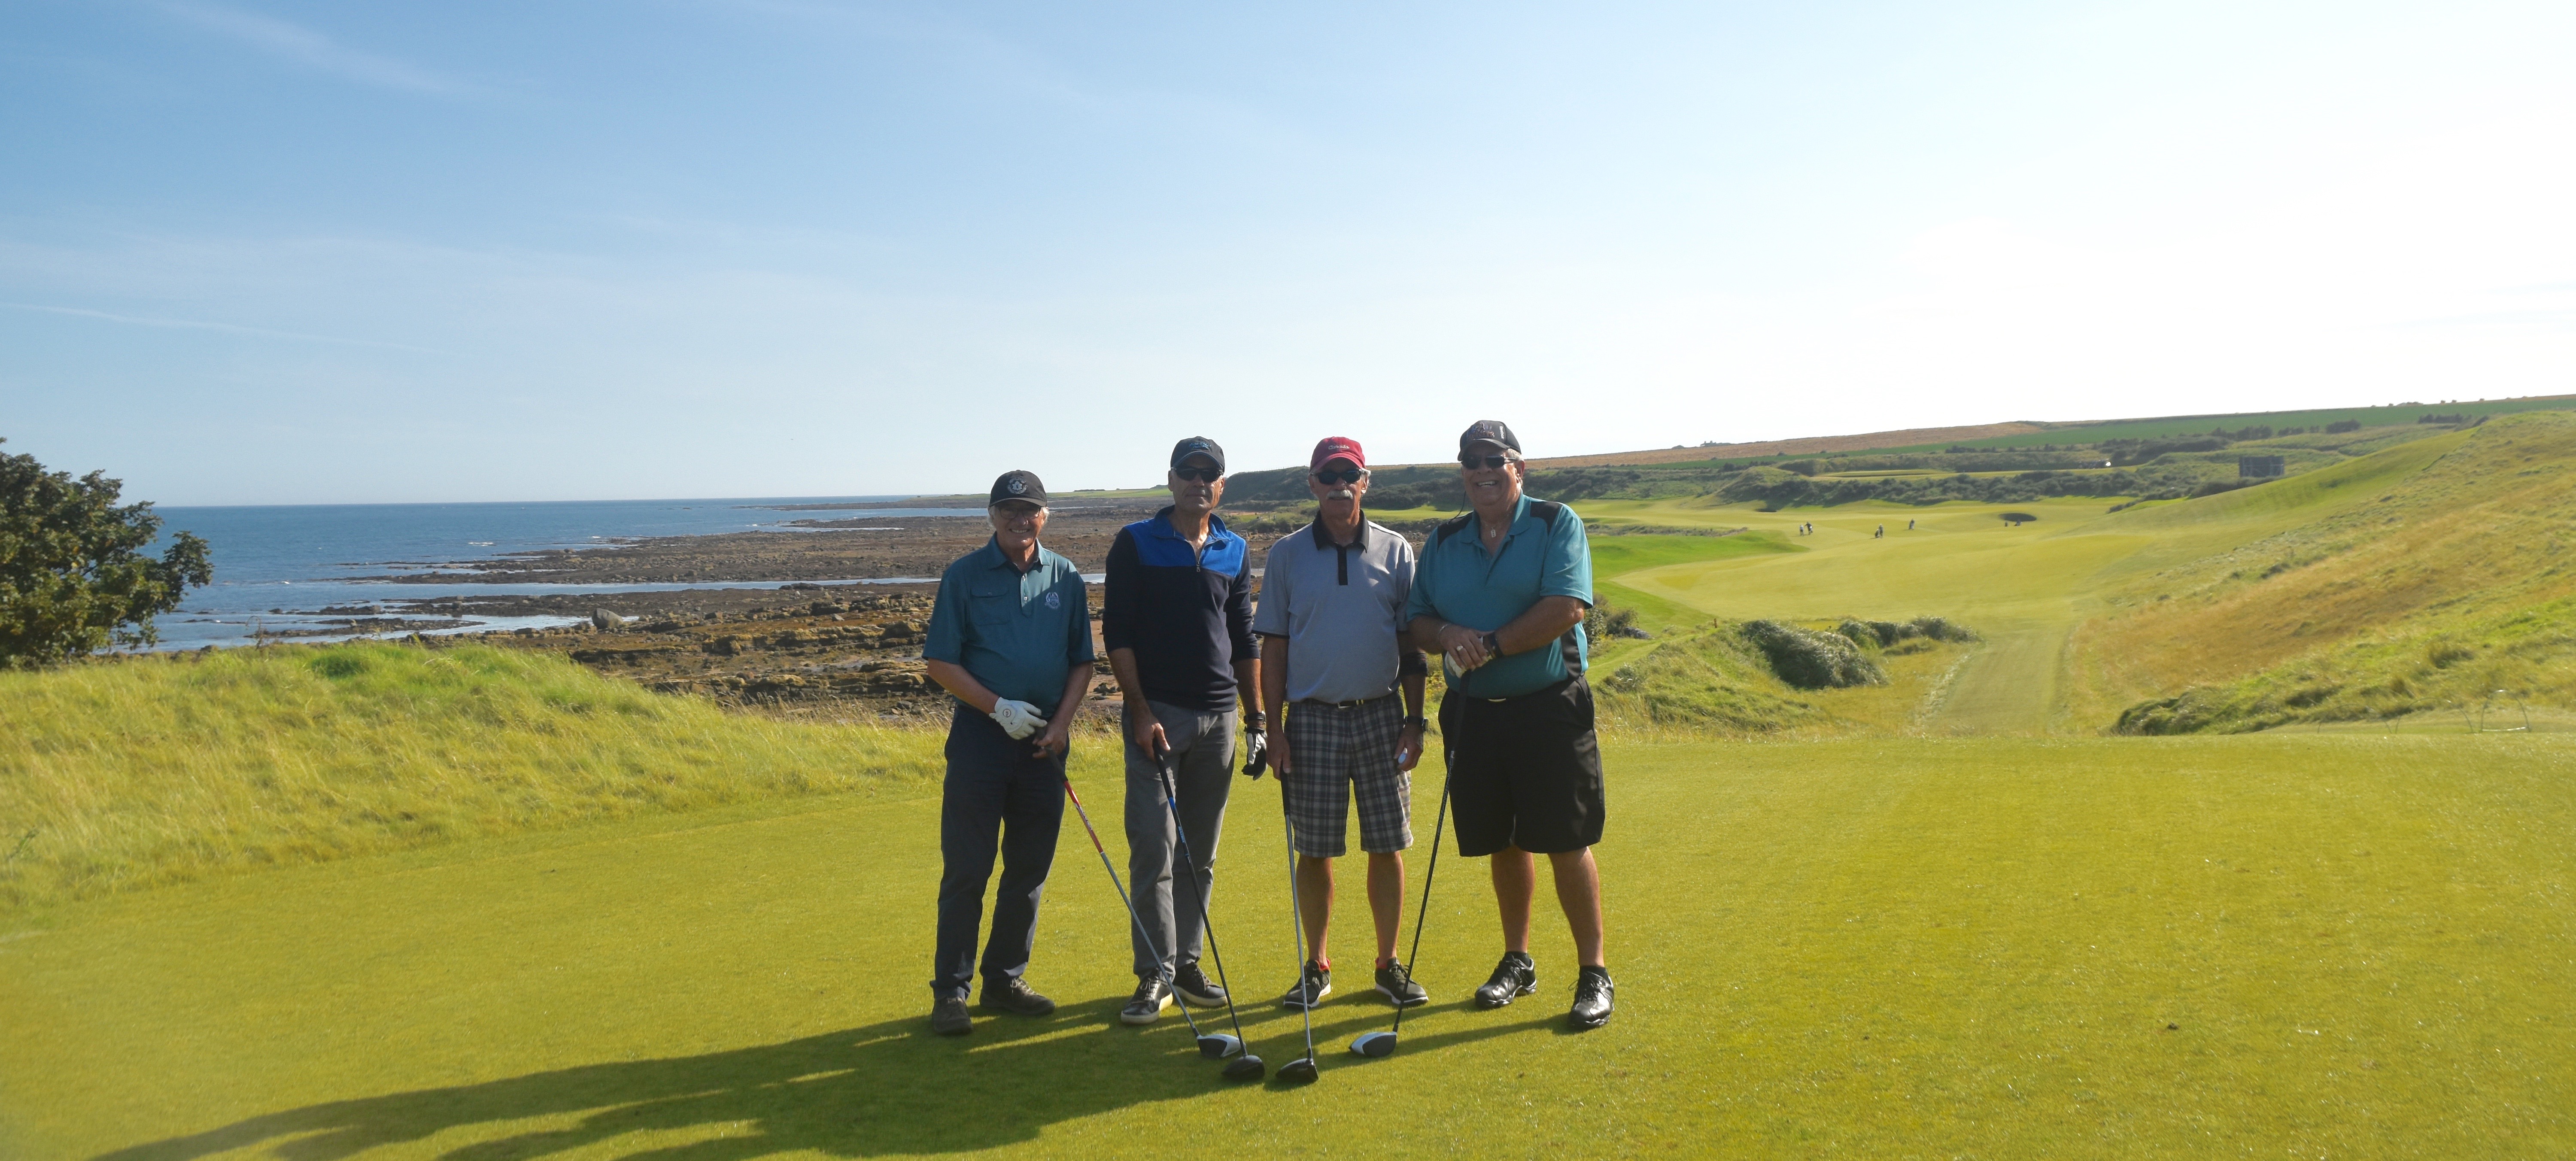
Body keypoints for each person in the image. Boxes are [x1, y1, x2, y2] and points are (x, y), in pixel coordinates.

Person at [1403, 420, 1616, 1030]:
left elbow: (1566, 607)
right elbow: (1418, 620)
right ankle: (1518, 960)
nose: (1483, 470)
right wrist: (1447, 635)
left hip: (1549, 705)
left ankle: (1593, 971)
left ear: (1518, 468)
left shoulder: (1555, 523)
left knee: (1565, 840)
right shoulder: (1445, 540)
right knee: (1503, 840)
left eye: (1496, 459)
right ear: (1463, 473)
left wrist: (1490, 646)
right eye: (1472, 461)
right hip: (1476, 714)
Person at [1254, 436, 1431, 1011]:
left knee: (1388, 845)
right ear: (1312, 484)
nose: (1339, 486)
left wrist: (1416, 720)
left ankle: (1387, 964)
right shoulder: (1286, 555)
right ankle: (1317, 965)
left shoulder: (1396, 549)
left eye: (1349, 476)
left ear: (1365, 481)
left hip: (1382, 716)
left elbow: (1411, 643)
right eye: (1328, 477)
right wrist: (1273, 730)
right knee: (1316, 850)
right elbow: (1273, 649)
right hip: (1310, 721)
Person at [919, 470, 1096, 1036]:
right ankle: (952, 991)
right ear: (992, 515)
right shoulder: (965, 577)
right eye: (1010, 509)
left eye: (1031, 510)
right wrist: (998, 708)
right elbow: (941, 662)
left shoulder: (1065, 577)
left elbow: (1082, 662)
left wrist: (1062, 726)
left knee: (1028, 869)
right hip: (981, 739)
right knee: (968, 869)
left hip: (1044, 742)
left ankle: (1005, 979)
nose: (1021, 518)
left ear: (1045, 516)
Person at [1103, 436, 1264, 1024]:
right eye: (1189, 473)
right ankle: (1154, 972)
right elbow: (1117, 631)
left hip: (1220, 717)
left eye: (1210, 475)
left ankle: (1187, 964)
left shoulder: (1233, 547)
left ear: (1221, 485)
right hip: (1158, 716)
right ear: (1170, 479)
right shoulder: (1136, 543)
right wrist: (1139, 709)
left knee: (1200, 851)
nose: (1199, 482)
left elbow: (1244, 637)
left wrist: (1257, 720)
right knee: (1153, 843)